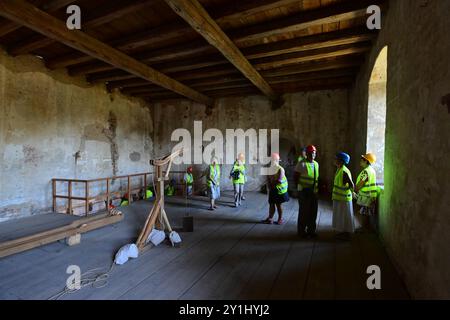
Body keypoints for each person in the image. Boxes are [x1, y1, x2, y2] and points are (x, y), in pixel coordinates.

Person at [294, 145, 319, 238]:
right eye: (311, 153)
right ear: (307, 154)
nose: (313, 154)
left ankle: (311, 231)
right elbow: (296, 177)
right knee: (304, 212)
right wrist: (299, 189)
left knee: (313, 212)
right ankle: (301, 232)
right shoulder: (301, 163)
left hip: (314, 192)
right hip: (304, 192)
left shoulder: (316, 164)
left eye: (314, 153)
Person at [332, 152, 355, 240]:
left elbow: (351, 185)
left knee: (344, 216)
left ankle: (346, 234)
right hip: (339, 198)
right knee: (341, 216)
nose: (334, 160)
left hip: (344, 198)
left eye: (336, 158)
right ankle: (342, 232)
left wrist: (352, 192)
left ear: (341, 161)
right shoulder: (339, 169)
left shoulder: (344, 171)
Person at [262, 153, 289, 225]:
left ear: (277, 160)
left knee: (278, 205)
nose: (272, 161)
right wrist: (269, 187)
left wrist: (271, 186)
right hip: (273, 189)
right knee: (271, 204)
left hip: (279, 190)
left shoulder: (280, 169)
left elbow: (279, 181)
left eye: (274, 160)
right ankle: (270, 218)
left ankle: (280, 219)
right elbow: (268, 178)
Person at [355, 153, 378, 232]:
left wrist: (355, 189)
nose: (361, 161)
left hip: (366, 196)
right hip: (370, 195)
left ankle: (363, 229)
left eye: (362, 159)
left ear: (366, 161)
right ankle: (366, 228)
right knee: (366, 213)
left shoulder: (366, 171)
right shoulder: (372, 170)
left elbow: (361, 183)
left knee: (363, 213)